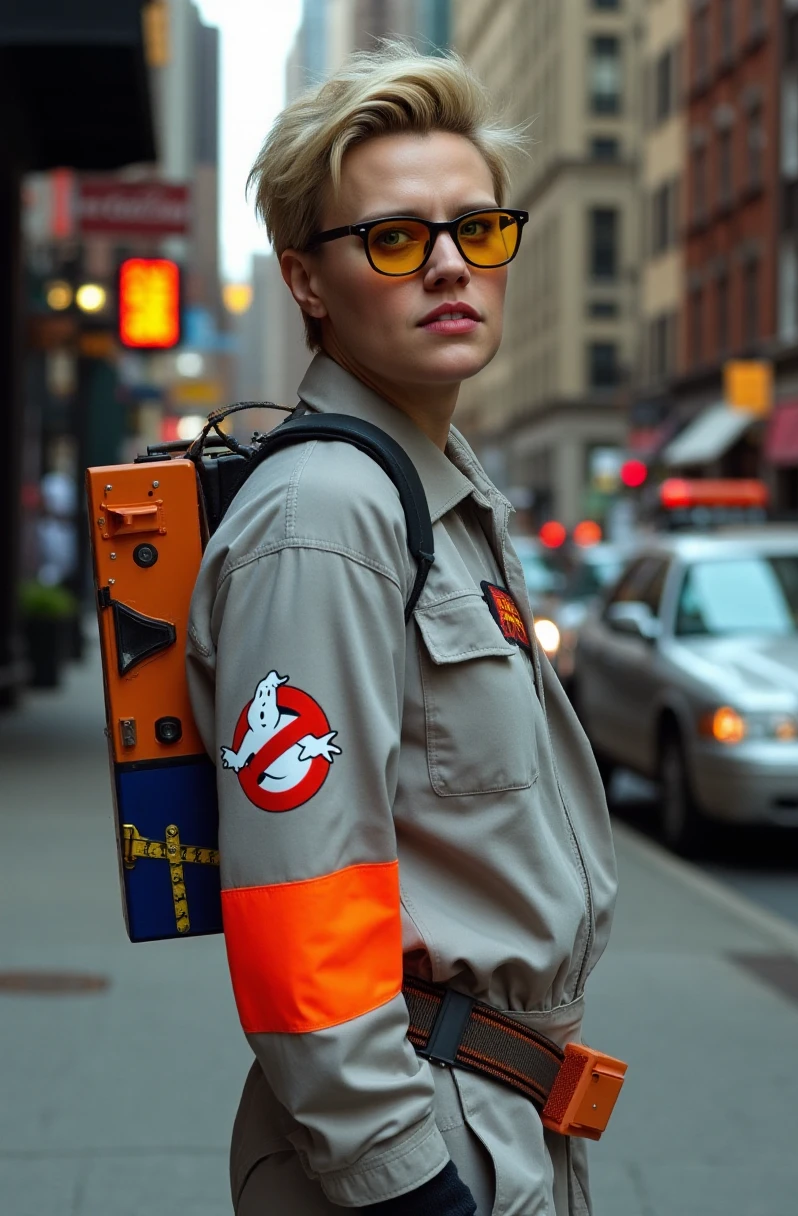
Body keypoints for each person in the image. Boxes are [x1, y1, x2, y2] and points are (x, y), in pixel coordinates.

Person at [187, 43, 617, 1216]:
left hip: (491, 1115)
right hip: (417, 1139)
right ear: (306, 283)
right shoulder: (325, 513)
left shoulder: (435, 493)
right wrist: (405, 1186)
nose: (447, 267)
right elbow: (300, 899)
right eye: (393, 238)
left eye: (476, 231)